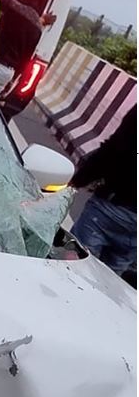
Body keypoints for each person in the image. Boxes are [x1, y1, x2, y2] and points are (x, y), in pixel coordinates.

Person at [70, 105, 137, 277]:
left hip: (109, 209)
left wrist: (78, 180)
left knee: (71, 269)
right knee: (107, 282)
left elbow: (113, 149)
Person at [0, 0, 57, 98]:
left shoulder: (14, 7)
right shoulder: (37, 27)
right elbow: (26, 58)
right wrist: (13, 79)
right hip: (7, 73)